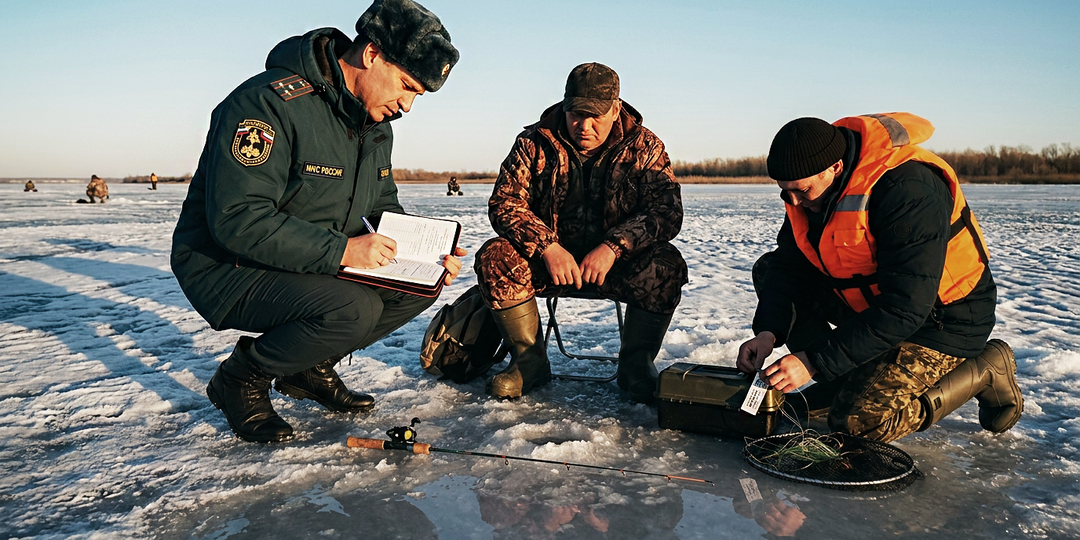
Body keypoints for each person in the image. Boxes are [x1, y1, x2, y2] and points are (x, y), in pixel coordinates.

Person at [171, 0, 462, 443]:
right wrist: (343, 250)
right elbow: (238, 219)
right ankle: (240, 378)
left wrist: (423, 254)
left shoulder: (374, 123)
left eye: (416, 96)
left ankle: (307, 365)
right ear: (371, 55)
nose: (406, 105)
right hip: (227, 265)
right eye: (406, 86)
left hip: (308, 260)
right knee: (353, 309)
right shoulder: (267, 103)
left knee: (417, 286)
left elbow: (381, 204)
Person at [736, 113, 1023, 442]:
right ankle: (845, 381)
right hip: (875, 304)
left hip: (942, 320)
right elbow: (789, 265)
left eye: (801, 191)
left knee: (857, 423)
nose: (794, 202)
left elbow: (906, 307)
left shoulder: (908, 190)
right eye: (785, 193)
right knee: (769, 270)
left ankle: (985, 368)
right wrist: (769, 332)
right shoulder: (810, 197)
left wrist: (814, 361)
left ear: (835, 168)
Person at [474, 63, 687, 403]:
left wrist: (615, 247)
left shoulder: (645, 147)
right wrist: (547, 247)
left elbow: (666, 212)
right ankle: (529, 362)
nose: (584, 127)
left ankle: (636, 367)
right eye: (575, 114)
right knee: (495, 255)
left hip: (617, 267)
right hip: (549, 265)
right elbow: (505, 203)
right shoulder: (533, 142)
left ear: (615, 109)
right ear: (564, 105)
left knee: (666, 263)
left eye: (595, 116)